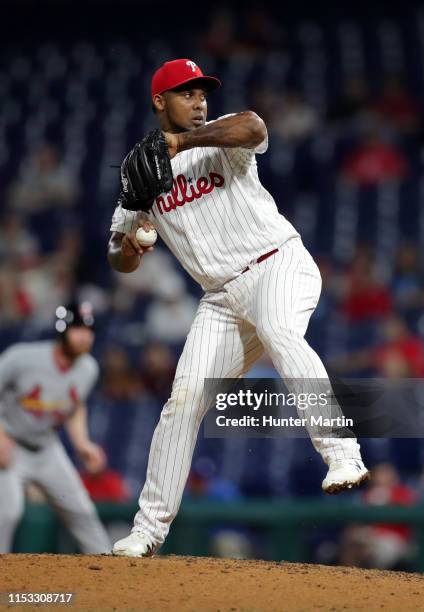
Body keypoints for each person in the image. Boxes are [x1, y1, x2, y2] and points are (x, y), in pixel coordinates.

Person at [108, 59, 369, 558]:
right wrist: (130, 248)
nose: (199, 100)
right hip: (221, 299)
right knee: (182, 401)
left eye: (202, 91)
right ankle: (147, 531)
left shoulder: (221, 137)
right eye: (186, 93)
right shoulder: (138, 166)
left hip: (278, 264)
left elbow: (254, 125)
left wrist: (182, 142)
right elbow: (117, 256)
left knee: (280, 332)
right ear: (160, 101)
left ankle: (342, 454)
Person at [0, 303, 111, 554]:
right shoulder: (23, 357)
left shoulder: (88, 369)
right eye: (77, 329)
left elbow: (75, 406)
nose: (85, 336)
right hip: (10, 446)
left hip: (47, 448)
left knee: (82, 511)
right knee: (7, 513)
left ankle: (113, 577)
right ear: (62, 331)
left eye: (89, 330)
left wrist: (82, 443)